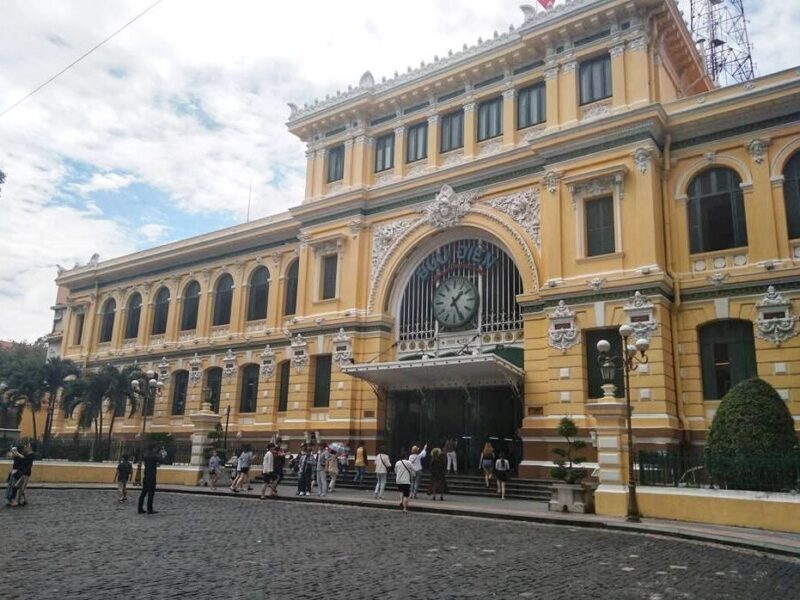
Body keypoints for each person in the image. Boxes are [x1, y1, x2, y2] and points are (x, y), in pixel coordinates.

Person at [138, 445, 161, 514]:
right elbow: (161, 459)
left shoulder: (145, 455)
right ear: (153, 448)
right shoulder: (154, 456)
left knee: (143, 493)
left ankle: (140, 508)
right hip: (151, 477)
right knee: (151, 493)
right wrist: (158, 453)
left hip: (145, 476)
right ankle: (149, 509)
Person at [15, 442, 35, 507]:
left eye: (28, 446)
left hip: (26, 472)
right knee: (21, 487)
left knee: (21, 488)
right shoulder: (26, 454)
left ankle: (19, 500)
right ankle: (25, 500)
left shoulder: (31, 455)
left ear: (30, 447)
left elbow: (28, 464)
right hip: (23, 472)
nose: (26, 447)